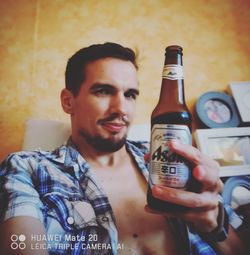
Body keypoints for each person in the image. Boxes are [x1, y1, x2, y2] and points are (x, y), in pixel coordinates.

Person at [0, 42, 246, 255]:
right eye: (104, 91)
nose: (121, 109)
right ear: (68, 101)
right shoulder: (28, 167)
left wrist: (215, 224)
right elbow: (21, 243)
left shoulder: (172, 160)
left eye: (130, 95)